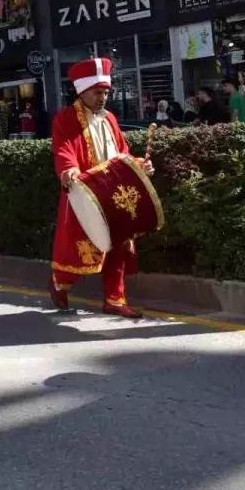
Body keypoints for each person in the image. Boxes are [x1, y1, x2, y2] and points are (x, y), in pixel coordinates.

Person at [49, 58, 153, 318]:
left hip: (113, 192)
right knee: (79, 247)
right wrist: (69, 169)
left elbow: (122, 153)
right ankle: (59, 281)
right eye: (97, 92)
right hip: (83, 192)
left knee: (118, 244)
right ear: (82, 92)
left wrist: (140, 165)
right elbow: (63, 149)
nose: (103, 97)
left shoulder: (110, 119)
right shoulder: (65, 118)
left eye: (106, 92)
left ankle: (115, 299)